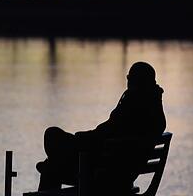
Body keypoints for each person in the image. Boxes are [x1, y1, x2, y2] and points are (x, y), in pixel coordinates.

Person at [36, 62, 166, 192]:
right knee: (52, 162)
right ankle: (53, 163)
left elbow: (106, 134)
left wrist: (81, 138)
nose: (128, 81)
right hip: (118, 172)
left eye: (129, 78)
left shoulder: (133, 106)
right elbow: (109, 133)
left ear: (137, 81)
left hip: (102, 174)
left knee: (52, 138)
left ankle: (52, 164)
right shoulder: (155, 114)